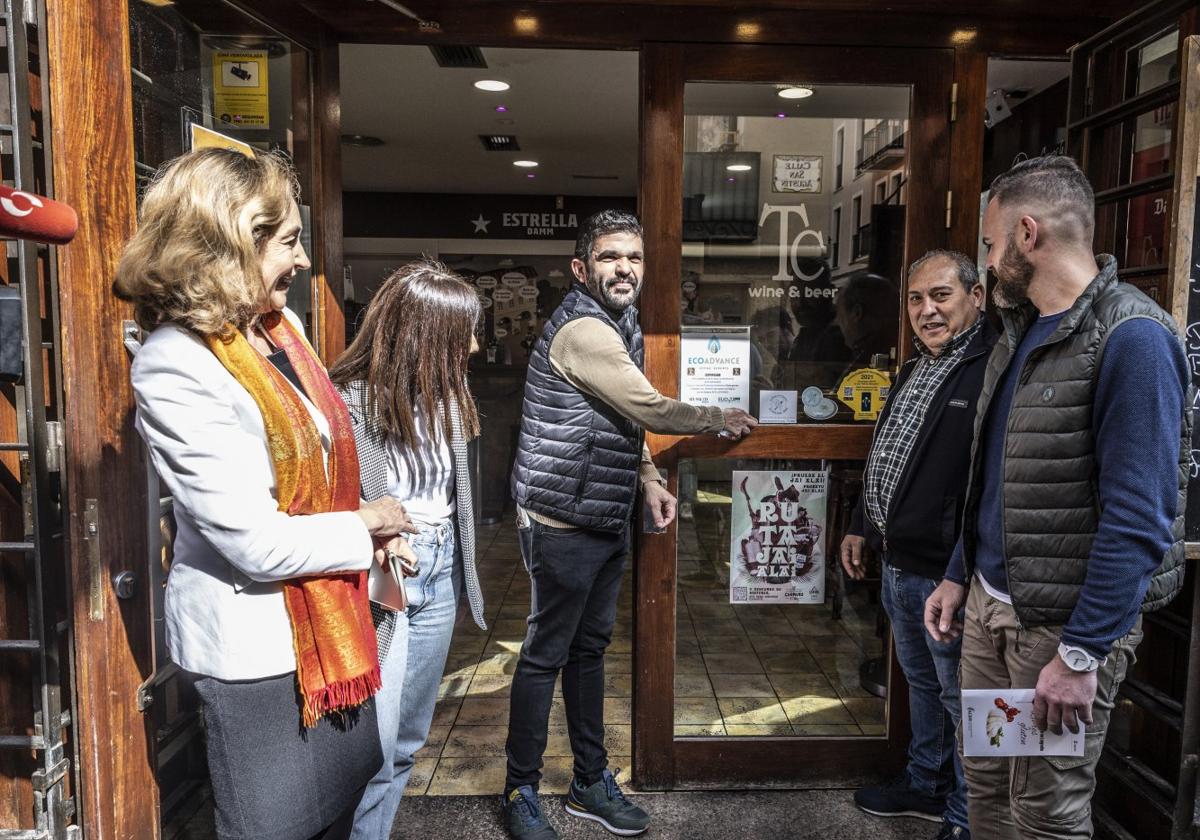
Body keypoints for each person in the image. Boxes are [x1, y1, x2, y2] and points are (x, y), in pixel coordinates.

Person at [114, 147, 413, 840]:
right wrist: (366, 524)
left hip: (331, 633)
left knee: (337, 814)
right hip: (259, 660)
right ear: (227, 247)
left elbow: (332, 455)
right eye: (288, 242)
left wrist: (377, 528)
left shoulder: (283, 332)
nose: (304, 260)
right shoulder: (174, 364)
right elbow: (254, 542)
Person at [924, 155, 1189, 840]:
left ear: (1027, 234)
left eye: (989, 243)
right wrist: (960, 574)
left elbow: (1141, 517)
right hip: (991, 610)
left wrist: (1080, 655)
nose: (985, 260)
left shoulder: (1133, 338)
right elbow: (997, 475)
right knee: (984, 783)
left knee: (1043, 811)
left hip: (1058, 630)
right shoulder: (1022, 331)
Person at [503, 210, 758, 839]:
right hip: (563, 519)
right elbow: (646, 403)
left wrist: (646, 480)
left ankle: (589, 782)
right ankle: (520, 790)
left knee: (588, 652)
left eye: (634, 258)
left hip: (602, 511)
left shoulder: (621, 325)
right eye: (611, 257)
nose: (624, 268)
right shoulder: (586, 328)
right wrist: (713, 416)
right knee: (545, 656)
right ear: (580, 268)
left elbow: (621, 419)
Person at [328, 260, 488, 839]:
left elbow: (452, 493)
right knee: (372, 742)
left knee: (407, 742)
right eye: (463, 332)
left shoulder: (448, 396)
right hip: (380, 576)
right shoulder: (350, 401)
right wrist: (380, 533)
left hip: (437, 568)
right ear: (427, 336)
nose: (473, 346)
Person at [841, 250, 996, 840]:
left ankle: (965, 816)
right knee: (922, 683)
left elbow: (984, 483)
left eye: (941, 296)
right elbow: (890, 454)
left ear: (975, 298)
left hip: (947, 574)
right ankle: (927, 784)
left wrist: (958, 571)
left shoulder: (989, 369)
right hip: (899, 563)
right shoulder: (914, 366)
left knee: (961, 696)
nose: (926, 311)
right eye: (915, 299)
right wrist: (861, 522)